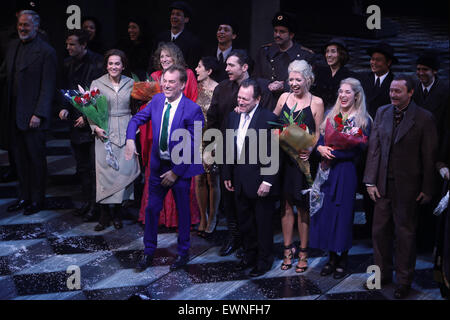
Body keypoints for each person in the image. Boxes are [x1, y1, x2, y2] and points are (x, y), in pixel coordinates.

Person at [363, 74, 438, 299]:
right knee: (378, 233)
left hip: (409, 187)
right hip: (382, 184)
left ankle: (404, 280)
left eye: (398, 91)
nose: (392, 95)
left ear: (410, 92)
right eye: (391, 91)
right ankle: (380, 275)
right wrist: (370, 180)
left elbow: (429, 156)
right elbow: (374, 148)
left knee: (405, 234)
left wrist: (427, 188)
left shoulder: (424, 118)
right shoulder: (382, 112)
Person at [125, 65, 205, 271]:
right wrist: (130, 139)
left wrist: (176, 172)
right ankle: (148, 251)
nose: (166, 85)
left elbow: (193, 145)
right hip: (158, 165)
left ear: (182, 85)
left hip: (181, 168)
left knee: (183, 212)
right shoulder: (157, 100)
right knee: (151, 209)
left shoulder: (193, 110)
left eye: (171, 82)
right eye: (164, 81)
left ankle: (183, 252)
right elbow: (136, 120)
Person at [206, 49, 274, 257]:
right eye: (225, 65)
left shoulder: (261, 89)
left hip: (255, 161)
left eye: (231, 65)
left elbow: (269, 128)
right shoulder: (222, 88)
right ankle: (236, 240)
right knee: (232, 204)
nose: (226, 69)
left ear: (244, 67)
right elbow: (214, 119)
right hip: (229, 154)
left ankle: (256, 252)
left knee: (255, 213)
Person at [310, 77, 372, 279]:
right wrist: (319, 147)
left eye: (347, 92)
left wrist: (335, 154)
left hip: (346, 171)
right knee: (326, 213)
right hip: (327, 171)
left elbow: (359, 150)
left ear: (356, 95)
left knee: (343, 216)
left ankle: (343, 257)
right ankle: (331, 258)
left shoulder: (363, 119)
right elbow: (320, 139)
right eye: (341, 91)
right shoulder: (331, 115)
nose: (343, 95)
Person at [138, 41, 199, 229]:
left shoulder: (187, 75)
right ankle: (159, 218)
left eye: (168, 56)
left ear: (176, 58)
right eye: (161, 56)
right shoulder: (155, 76)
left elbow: (192, 99)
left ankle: (179, 219)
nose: (164, 59)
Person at [223, 79, 280, 277]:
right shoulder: (232, 117)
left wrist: (268, 181)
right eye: (239, 97)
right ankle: (249, 255)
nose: (240, 102)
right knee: (245, 222)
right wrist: (227, 174)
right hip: (238, 180)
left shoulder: (269, 118)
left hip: (260, 181)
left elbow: (275, 152)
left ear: (257, 99)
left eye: (245, 99)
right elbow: (228, 147)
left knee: (262, 224)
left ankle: (263, 261)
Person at [2, 10, 56, 215]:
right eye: (20, 25)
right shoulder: (12, 46)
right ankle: (24, 196)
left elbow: (48, 86)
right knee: (20, 159)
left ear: (35, 26)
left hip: (33, 116)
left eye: (26, 25)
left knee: (35, 159)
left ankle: (37, 199)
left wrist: (39, 114)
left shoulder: (46, 51)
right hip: (14, 113)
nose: (22, 28)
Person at [273, 60, 324, 273]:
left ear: (308, 80)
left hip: (303, 161)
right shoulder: (283, 97)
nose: (293, 83)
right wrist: (278, 135)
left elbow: (319, 132)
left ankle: (303, 251)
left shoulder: (317, 102)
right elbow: (272, 121)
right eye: (291, 79)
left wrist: (311, 148)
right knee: (285, 206)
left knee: (303, 207)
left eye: (298, 79)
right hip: (284, 159)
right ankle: (287, 249)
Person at [89, 49, 140, 231]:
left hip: (127, 130)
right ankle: (104, 215)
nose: (113, 67)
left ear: (123, 65)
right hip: (105, 130)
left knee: (123, 173)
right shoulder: (97, 83)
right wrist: (95, 127)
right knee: (105, 174)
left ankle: (118, 213)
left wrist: (136, 128)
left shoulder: (132, 83)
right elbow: (90, 108)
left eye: (117, 63)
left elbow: (138, 108)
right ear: (106, 65)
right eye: (110, 63)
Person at [58, 29, 104, 221]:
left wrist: (87, 117)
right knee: (82, 166)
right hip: (75, 122)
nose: (68, 47)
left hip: (93, 122)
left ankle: (96, 206)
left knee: (94, 168)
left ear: (83, 45)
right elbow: (64, 89)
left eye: (72, 44)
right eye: (67, 44)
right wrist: (63, 108)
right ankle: (87, 202)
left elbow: (100, 95)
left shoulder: (98, 63)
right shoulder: (67, 63)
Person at [412, 51, 449, 252]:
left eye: (424, 70)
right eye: (418, 70)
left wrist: (441, 159)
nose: (420, 73)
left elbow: (447, 128)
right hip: (414, 153)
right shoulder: (414, 89)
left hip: (435, 154)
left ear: (434, 71)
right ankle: (417, 241)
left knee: (431, 197)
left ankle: (429, 242)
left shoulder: (445, 92)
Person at [252, 12, 315, 102]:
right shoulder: (264, 52)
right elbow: (255, 78)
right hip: (265, 101)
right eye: (275, 31)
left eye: (282, 32)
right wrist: (269, 84)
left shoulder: (305, 55)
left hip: (292, 103)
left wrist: (284, 86)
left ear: (291, 35)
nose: (277, 35)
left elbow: (309, 83)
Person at [195, 57, 220, 237]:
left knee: (213, 179)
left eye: (199, 66)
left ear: (209, 71)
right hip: (196, 138)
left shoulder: (219, 89)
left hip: (212, 138)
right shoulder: (194, 89)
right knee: (198, 179)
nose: (196, 69)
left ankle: (213, 217)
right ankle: (202, 217)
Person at [154, 1, 202, 71]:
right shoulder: (161, 38)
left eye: (178, 14)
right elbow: (153, 63)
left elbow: (191, 67)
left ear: (186, 19)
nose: (174, 17)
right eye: (172, 14)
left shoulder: (193, 42)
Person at [312, 38, 357, 111]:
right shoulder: (319, 72)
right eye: (327, 52)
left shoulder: (349, 75)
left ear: (341, 54)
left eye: (333, 51)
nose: (329, 55)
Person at [361, 42, 397, 119]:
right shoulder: (362, 79)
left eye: (378, 60)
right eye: (372, 59)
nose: (374, 63)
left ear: (388, 62)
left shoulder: (394, 82)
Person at [116, 17, 153, 81]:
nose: (130, 30)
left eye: (133, 27)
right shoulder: (123, 45)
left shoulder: (150, 46)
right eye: (129, 27)